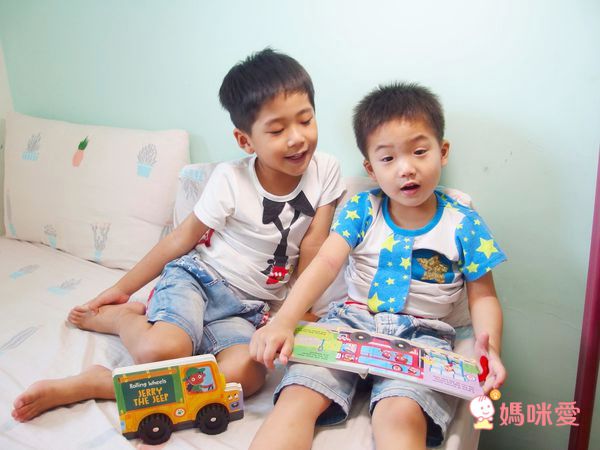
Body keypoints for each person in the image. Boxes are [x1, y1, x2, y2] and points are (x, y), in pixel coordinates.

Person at [11, 48, 345, 422]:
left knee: (247, 375)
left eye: (306, 120)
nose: (297, 138)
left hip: (248, 308)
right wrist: (120, 290)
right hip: (199, 280)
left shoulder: (325, 170)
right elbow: (180, 239)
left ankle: (105, 384)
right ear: (245, 140)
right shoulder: (231, 180)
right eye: (278, 130)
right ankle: (122, 321)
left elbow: (313, 244)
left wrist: (298, 310)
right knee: (162, 350)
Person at [249, 82, 507, 450]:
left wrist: (489, 348)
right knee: (297, 397)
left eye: (419, 152)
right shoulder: (361, 209)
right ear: (371, 168)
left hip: (422, 337)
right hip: (349, 324)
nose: (406, 169)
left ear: (442, 151)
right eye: (388, 159)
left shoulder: (463, 222)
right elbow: (325, 263)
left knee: (399, 415)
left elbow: (483, 296)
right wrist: (284, 320)